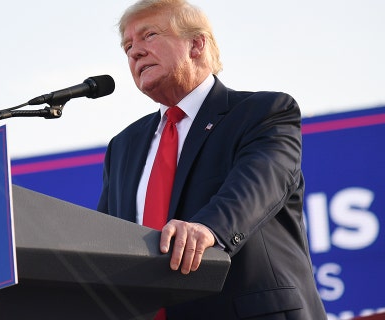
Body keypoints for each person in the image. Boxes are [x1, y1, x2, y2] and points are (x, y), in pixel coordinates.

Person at [96, 0, 327, 318]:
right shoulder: (122, 147)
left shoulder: (263, 112)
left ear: (196, 44)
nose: (134, 52)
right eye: (128, 46)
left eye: (149, 35)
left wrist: (209, 227)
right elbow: (105, 239)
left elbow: (259, 183)